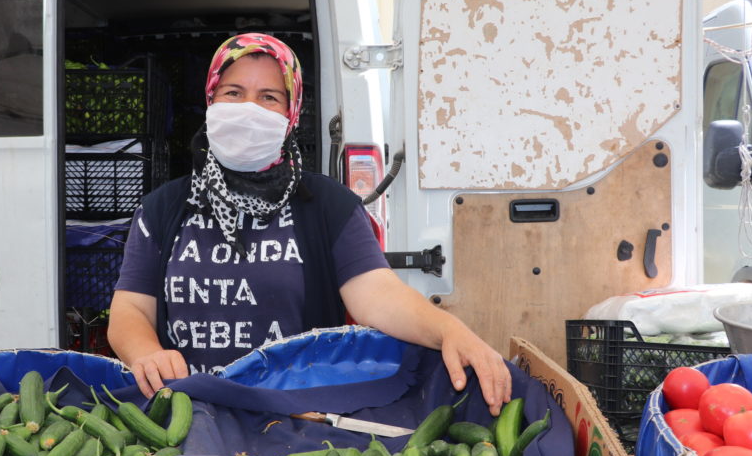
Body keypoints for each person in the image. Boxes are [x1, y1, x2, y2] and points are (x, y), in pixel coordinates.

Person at [108, 33, 512, 415]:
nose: (249, 109)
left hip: (298, 416)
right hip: (189, 408)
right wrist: (147, 353)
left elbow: (378, 294)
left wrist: (448, 331)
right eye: (234, 93)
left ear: (292, 113)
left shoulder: (327, 206)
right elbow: (129, 310)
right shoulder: (164, 208)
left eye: (269, 97)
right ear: (210, 101)